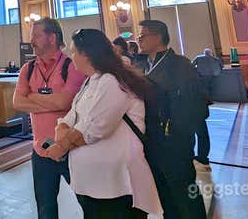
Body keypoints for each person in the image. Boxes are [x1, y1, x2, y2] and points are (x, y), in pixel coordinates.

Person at [45, 29, 162, 218]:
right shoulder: (92, 80)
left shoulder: (113, 81)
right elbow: (71, 116)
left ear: (87, 54)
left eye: (74, 51)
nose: (71, 56)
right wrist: (62, 128)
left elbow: (95, 129)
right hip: (94, 184)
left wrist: (62, 145)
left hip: (115, 186)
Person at [12, 17, 87, 219]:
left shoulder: (72, 66)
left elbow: (65, 102)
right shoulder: (28, 70)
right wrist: (53, 101)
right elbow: (17, 103)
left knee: (88, 204)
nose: (32, 42)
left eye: (36, 36)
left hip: (71, 149)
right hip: (41, 151)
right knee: (45, 209)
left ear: (52, 38)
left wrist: (33, 97)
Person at [136, 20, 207, 219]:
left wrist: (177, 134)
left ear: (157, 37)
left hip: (175, 144)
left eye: (142, 36)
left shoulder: (180, 65)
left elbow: (193, 105)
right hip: (151, 142)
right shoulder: (141, 64)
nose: (138, 40)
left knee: (186, 196)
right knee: (165, 196)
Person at [191, 48, 221, 166]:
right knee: (202, 133)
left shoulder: (198, 60)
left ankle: (195, 155)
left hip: (195, 108)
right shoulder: (214, 59)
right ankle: (203, 156)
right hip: (201, 107)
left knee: (195, 133)